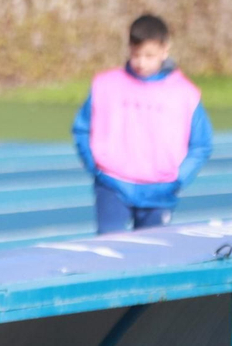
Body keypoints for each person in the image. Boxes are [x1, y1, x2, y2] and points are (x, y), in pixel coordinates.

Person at [72, 14, 213, 234]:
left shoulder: (185, 93)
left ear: (165, 50)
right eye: (137, 54)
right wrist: (96, 168)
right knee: (109, 252)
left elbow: (201, 145)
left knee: (152, 257)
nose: (141, 62)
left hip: (160, 190)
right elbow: (82, 129)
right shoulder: (105, 85)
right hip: (112, 185)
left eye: (149, 56)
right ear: (129, 48)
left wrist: (177, 178)